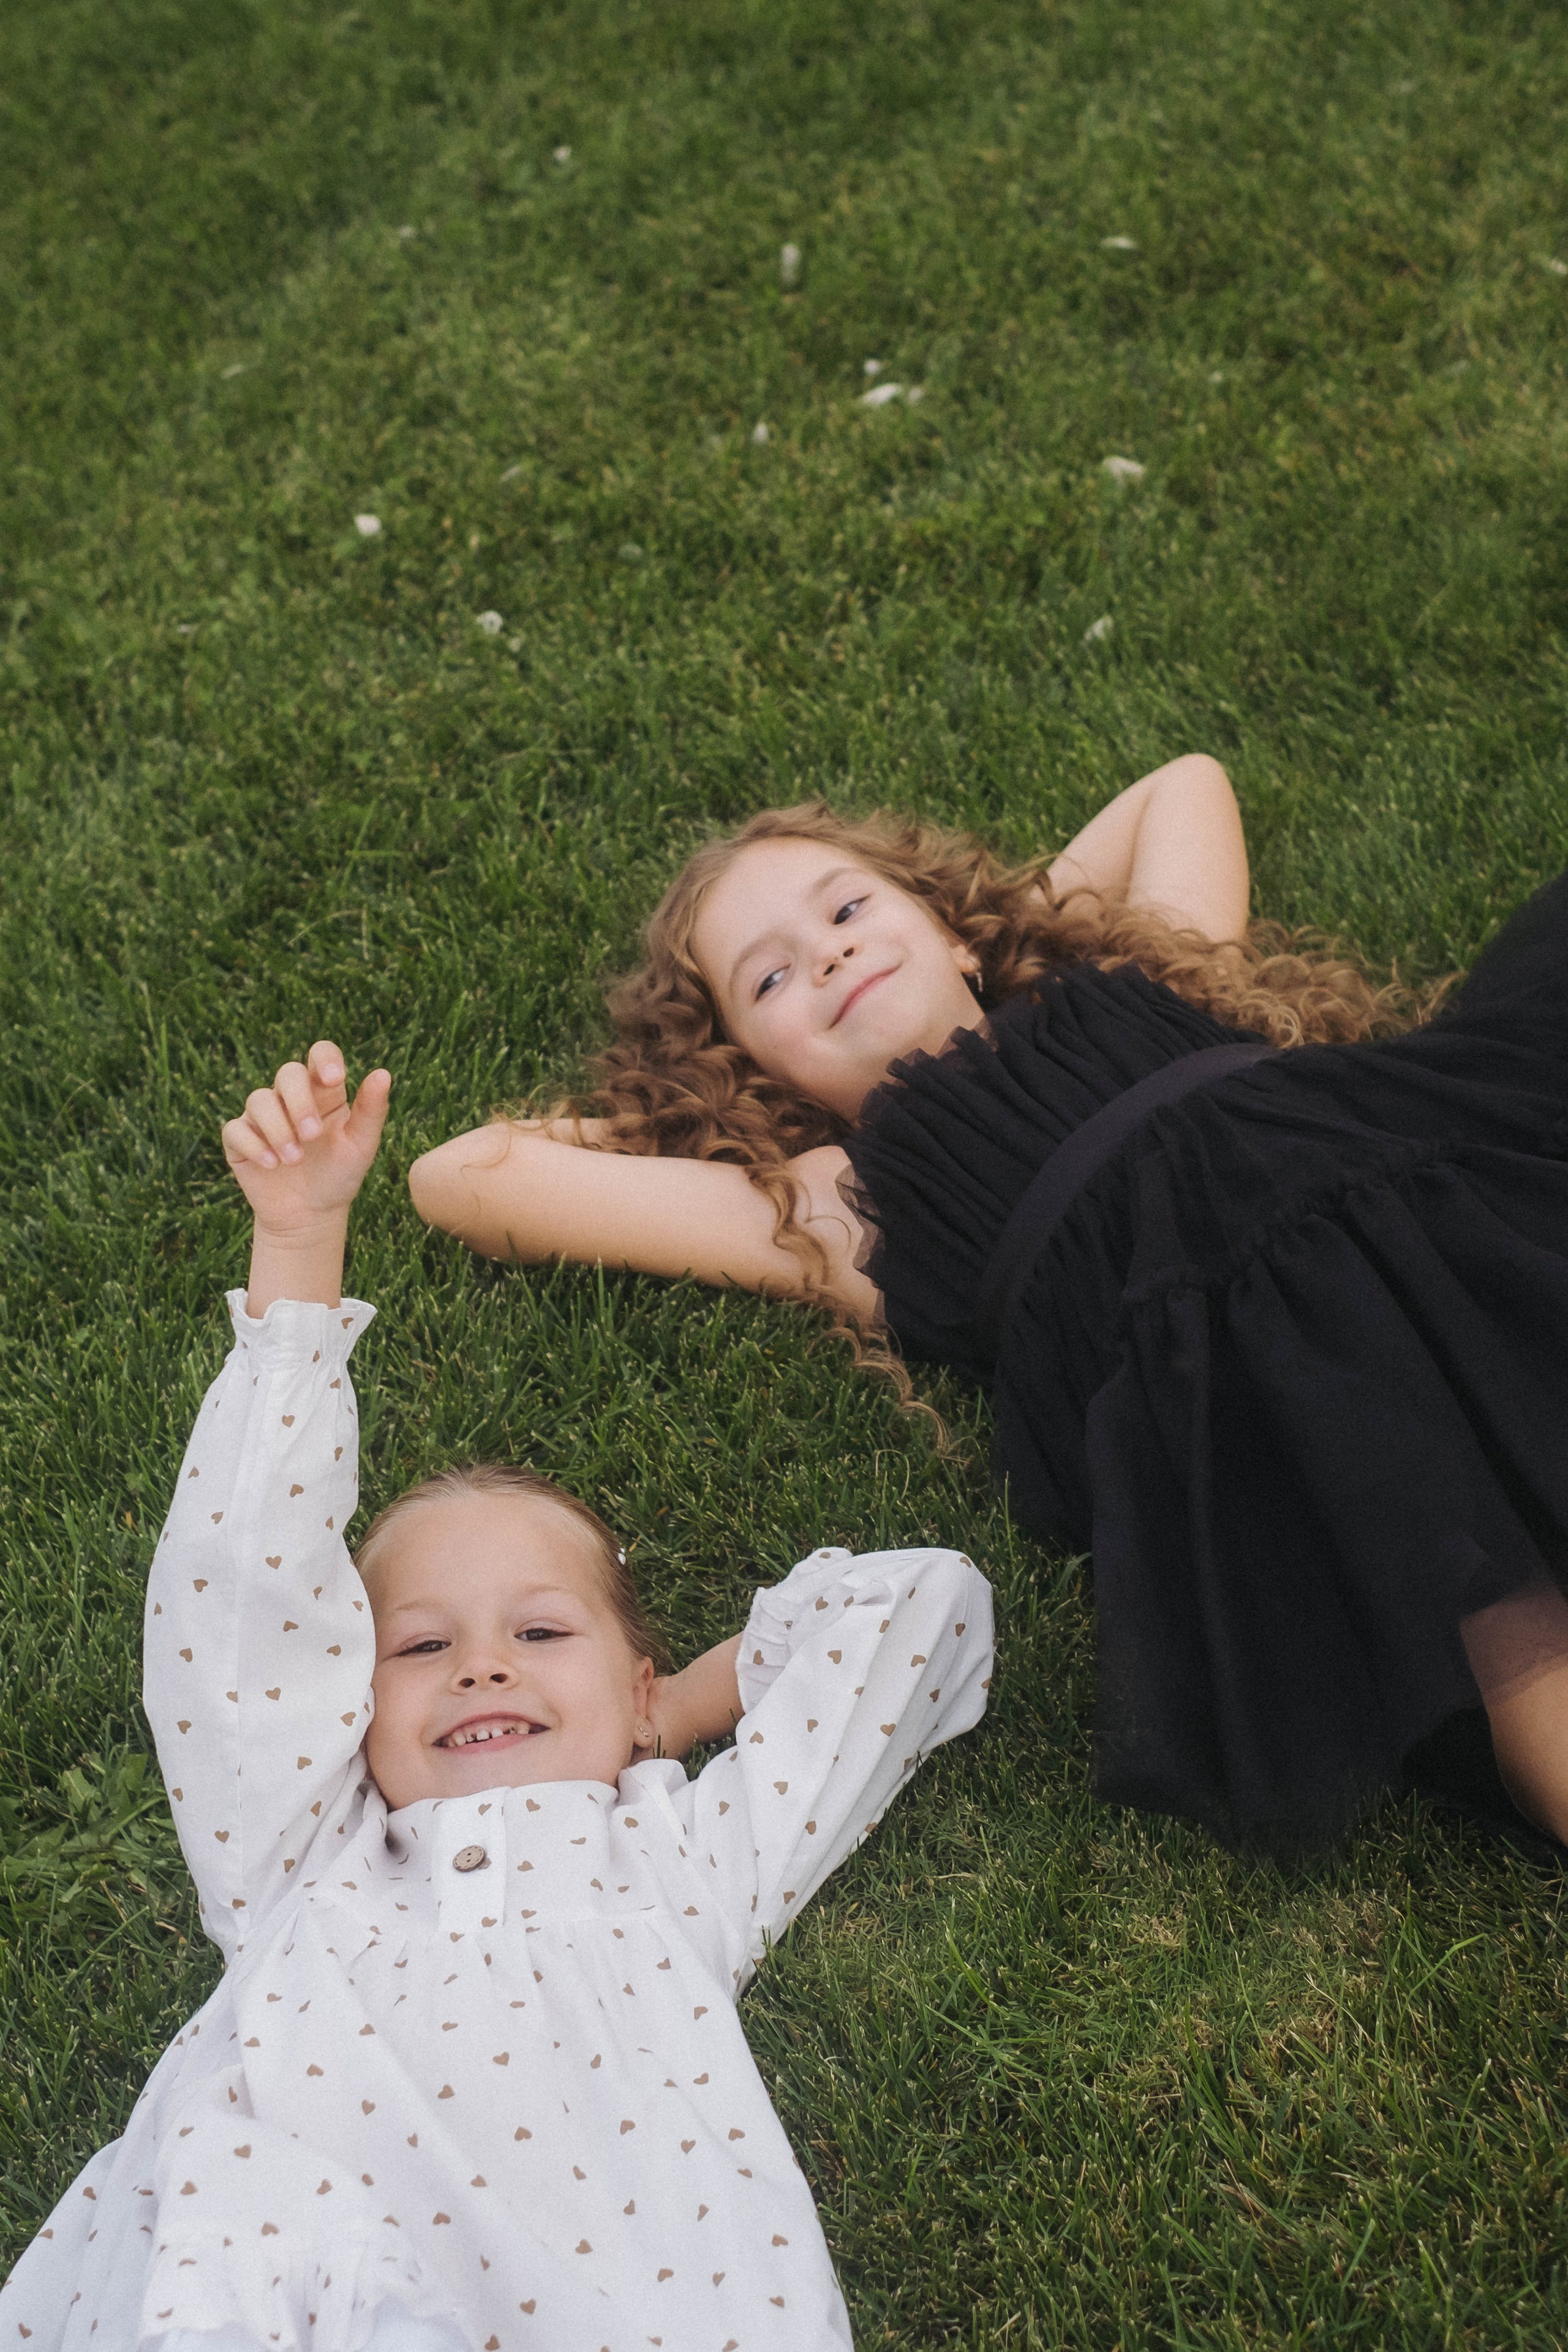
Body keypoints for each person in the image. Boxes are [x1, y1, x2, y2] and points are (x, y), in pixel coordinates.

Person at [1, 1042, 994, 2352]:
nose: (481, 1666)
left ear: (630, 1687)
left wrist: (676, 1715)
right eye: (417, 1648)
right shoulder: (300, 1857)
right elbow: (240, 1594)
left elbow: (914, 1610)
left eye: (537, 1630)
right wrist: (296, 1250)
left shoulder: (679, 1861)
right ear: (344, 1709)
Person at [408, 755, 1568, 1856]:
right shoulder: (840, 1202)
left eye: (849, 911)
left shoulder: (1133, 974)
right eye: (768, 979)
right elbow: (462, 1176)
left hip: (1434, 1186)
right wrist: (691, 1114)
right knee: (1492, 1599)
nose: (824, 957)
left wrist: (1008, 933)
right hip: (1282, 1357)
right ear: (756, 1071)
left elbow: (1184, 786)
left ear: (955, 928)